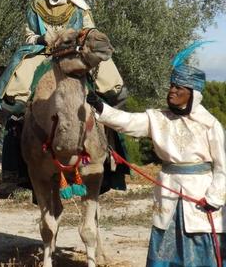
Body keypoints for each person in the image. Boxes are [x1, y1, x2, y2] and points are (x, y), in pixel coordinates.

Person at [0, 0, 125, 186]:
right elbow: (29, 35)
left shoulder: (79, 7)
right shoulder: (35, 6)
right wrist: (41, 40)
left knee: (107, 77)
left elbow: (89, 28)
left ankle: (111, 135)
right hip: (45, 53)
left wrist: (84, 37)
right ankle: (19, 111)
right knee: (22, 77)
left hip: (75, 51)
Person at [87, 42, 225, 266]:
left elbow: (222, 168)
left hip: (200, 200)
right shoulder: (158, 118)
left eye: (179, 88)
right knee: (163, 247)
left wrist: (214, 198)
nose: (172, 91)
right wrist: (102, 108)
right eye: (171, 86)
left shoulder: (210, 125)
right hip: (168, 194)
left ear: (193, 94)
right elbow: (128, 121)